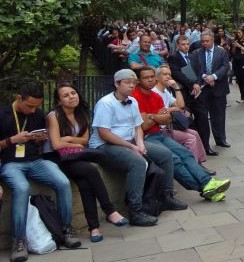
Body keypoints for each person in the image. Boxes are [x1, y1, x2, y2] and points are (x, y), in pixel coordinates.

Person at [89, 69, 186, 227]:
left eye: (134, 83)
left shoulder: (132, 101)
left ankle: (167, 196)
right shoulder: (105, 103)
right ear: (116, 84)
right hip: (106, 145)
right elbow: (104, 133)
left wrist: (139, 143)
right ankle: (136, 210)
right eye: (127, 83)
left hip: (130, 140)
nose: (131, 86)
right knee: (138, 162)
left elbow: (137, 127)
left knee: (165, 154)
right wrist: (131, 146)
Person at [0, 82, 81, 261]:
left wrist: (39, 139)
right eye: (30, 106)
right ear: (18, 98)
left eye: (37, 106)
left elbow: (42, 142)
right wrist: (11, 140)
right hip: (10, 163)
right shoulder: (3, 114)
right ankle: (19, 241)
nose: (33, 110)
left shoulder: (37, 114)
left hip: (34, 160)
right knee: (22, 188)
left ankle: (66, 230)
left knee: (62, 181)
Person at [131, 67, 231, 202]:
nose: (150, 80)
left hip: (159, 133)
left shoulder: (155, 96)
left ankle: (207, 184)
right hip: (145, 138)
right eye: (145, 77)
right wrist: (158, 117)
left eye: (151, 77)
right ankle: (205, 187)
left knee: (185, 153)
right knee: (174, 159)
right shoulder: (135, 97)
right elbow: (144, 125)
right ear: (138, 81)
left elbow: (169, 118)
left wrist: (153, 117)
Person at [46, 83, 128, 243]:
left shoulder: (81, 113)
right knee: (90, 170)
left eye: (73, 93)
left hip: (74, 155)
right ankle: (109, 210)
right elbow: (56, 145)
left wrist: (69, 140)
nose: (71, 97)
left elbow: (84, 140)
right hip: (56, 157)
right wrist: (76, 144)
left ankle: (94, 228)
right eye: (66, 95)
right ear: (58, 101)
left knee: (84, 183)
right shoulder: (54, 116)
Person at [153, 65, 211, 172]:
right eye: (164, 74)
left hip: (170, 126)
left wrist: (176, 88)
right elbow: (161, 112)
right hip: (162, 129)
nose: (168, 77)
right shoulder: (155, 92)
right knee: (190, 138)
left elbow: (181, 105)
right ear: (156, 77)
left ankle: (198, 163)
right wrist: (172, 109)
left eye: (169, 74)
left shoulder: (166, 91)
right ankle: (193, 169)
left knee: (195, 133)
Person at [189, 30, 231, 150]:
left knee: (219, 115)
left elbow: (225, 67)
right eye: (203, 41)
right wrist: (205, 77)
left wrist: (214, 76)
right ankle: (204, 143)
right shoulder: (196, 53)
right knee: (202, 117)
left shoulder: (221, 52)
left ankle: (220, 139)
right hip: (202, 90)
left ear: (212, 40)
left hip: (219, 89)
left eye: (207, 41)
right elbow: (194, 68)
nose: (205, 44)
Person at [229, 29, 244, 104]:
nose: (238, 34)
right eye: (237, 32)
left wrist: (239, 46)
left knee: (243, 80)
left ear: (243, 33)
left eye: (239, 32)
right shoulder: (236, 40)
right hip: (236, 62)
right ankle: (242, 96)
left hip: (243, 62)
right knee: (238, 79)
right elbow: (233, 52)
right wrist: (234, 46)